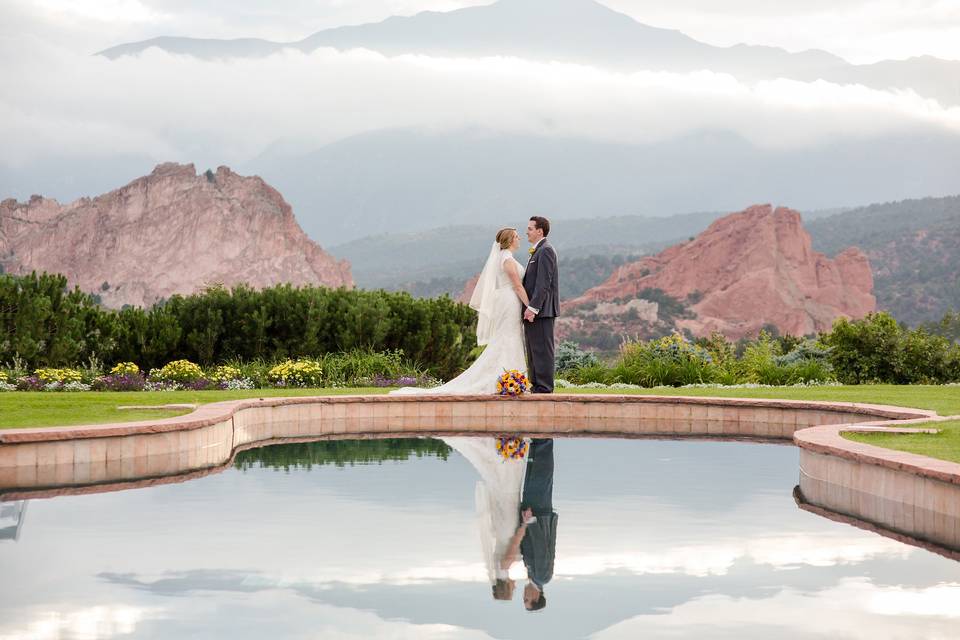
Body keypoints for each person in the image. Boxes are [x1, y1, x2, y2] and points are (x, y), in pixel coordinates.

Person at [390, 227, 529, 395]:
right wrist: (530, 306)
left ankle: (510, 378)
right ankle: (506, 378)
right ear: (509, 240)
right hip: (509, 300)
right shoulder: (507, 260)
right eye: (516, 236)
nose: (519, 238)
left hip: (508, 300)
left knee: (509, 336)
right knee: (507, 337)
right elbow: (518, 286)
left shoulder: (505, 258)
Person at [522, 217, 559, 393]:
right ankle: (536, 384)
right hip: (535, 311)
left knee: (543, 349)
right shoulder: (538, 251)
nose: (527, 232)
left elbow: (543, 283)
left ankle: (544, 387)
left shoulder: (546, 250)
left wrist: (533, 308)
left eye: (530, 228)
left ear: (540, 231)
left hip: (542, 310)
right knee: (534, 349)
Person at [519, 438, 557, 611]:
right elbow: (541, 547)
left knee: (532, 476)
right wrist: (531, 521)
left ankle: (536, 443)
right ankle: (544, 441)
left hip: (534, 514)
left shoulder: (533, 575)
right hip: (539, 514)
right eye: (526, 600)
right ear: (536, 597)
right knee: (541, 478)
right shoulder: (542, 577)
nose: (523, 597)